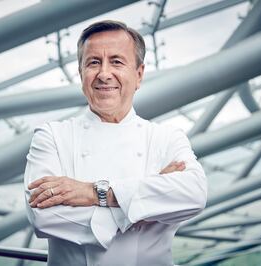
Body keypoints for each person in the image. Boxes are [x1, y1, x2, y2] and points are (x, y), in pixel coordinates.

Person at [24, 20, 207, 266]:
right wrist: (143, 206)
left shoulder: (166, 137)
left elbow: (193, 193)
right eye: (93, 63)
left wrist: (96, 193)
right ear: (81, 74)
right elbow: (43, 215)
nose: (104, 74)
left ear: (139, 74)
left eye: (117, 61)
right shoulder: (52, 136)